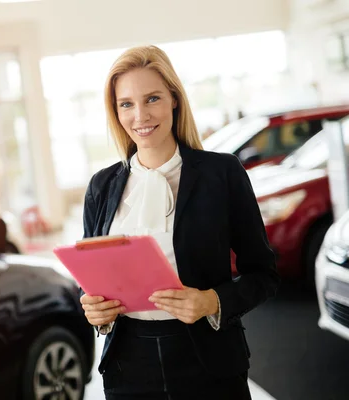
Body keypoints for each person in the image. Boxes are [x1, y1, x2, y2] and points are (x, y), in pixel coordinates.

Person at [79, 46, 280, 400]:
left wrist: (211, 301)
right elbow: (92, 279)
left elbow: (264, 275)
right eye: (126, 104)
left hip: (208, 361)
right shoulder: (101, 185)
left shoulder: (222, 173)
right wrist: (94, 308)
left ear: (174, 99)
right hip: (128, 366)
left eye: (152, 98)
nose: (140, 115)